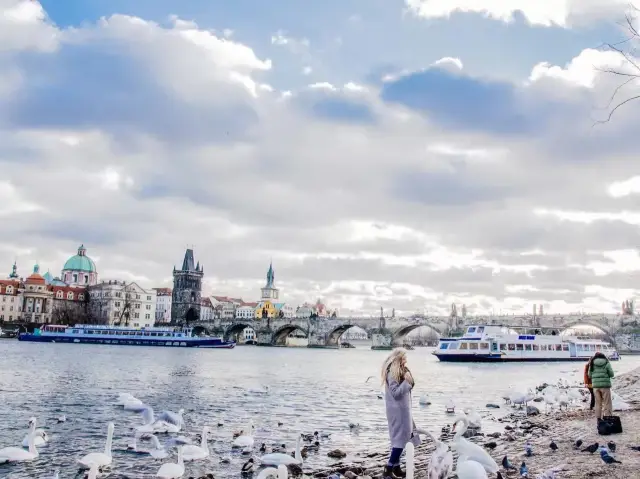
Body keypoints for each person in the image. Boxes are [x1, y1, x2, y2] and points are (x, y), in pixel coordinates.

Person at [381, 348, 420, 479]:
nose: (406, 360)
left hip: (403, 411)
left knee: (403, 438)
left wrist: (408, 381)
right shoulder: (392, 373)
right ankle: (389, 468)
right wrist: (407, 382)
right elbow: (396, 393)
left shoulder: (401, 371)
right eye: (404, 358)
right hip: (397, 412)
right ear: (398, 359)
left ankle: (396, 468)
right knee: (399, 440)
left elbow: (407, 386)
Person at [588, 352, 615, 420]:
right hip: (605, 386)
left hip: (596, 387)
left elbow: (589, 375)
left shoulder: (592, 363)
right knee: (607, 403)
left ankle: (598, 419)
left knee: (598, 403)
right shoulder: (606, 362)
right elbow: (612, 374)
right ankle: (608, 418)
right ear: (603, 356)